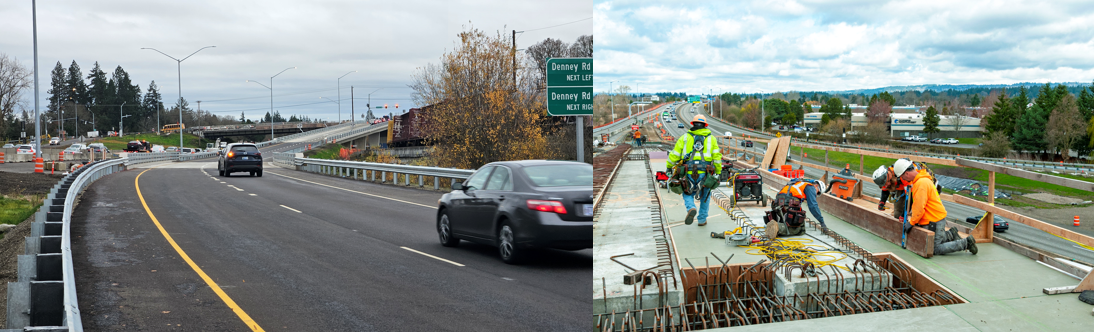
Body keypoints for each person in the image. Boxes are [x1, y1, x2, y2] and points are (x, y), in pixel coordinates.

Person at [893, 158, 977, 255]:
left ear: (906, 173)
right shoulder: (921, 180)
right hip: (933, 218)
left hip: (934, 220)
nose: (903, 180)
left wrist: (912, 222)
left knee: (934, 248)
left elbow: (919, 207)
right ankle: (950, 234)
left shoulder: (921, 183)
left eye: (902, 177)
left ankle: (966, 243)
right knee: (933, 241)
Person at [666, 114, 722, 226]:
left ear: (693, 124)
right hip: (705, 173)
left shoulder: (684, 137)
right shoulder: (711, 139)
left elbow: (675, 155)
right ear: (705, 125)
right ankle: (702, 220)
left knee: (687, 192)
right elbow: (717, 157)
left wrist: (668, 166)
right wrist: (718, 172)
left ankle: (691, 207)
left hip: (687, 172)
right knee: (705, 195)